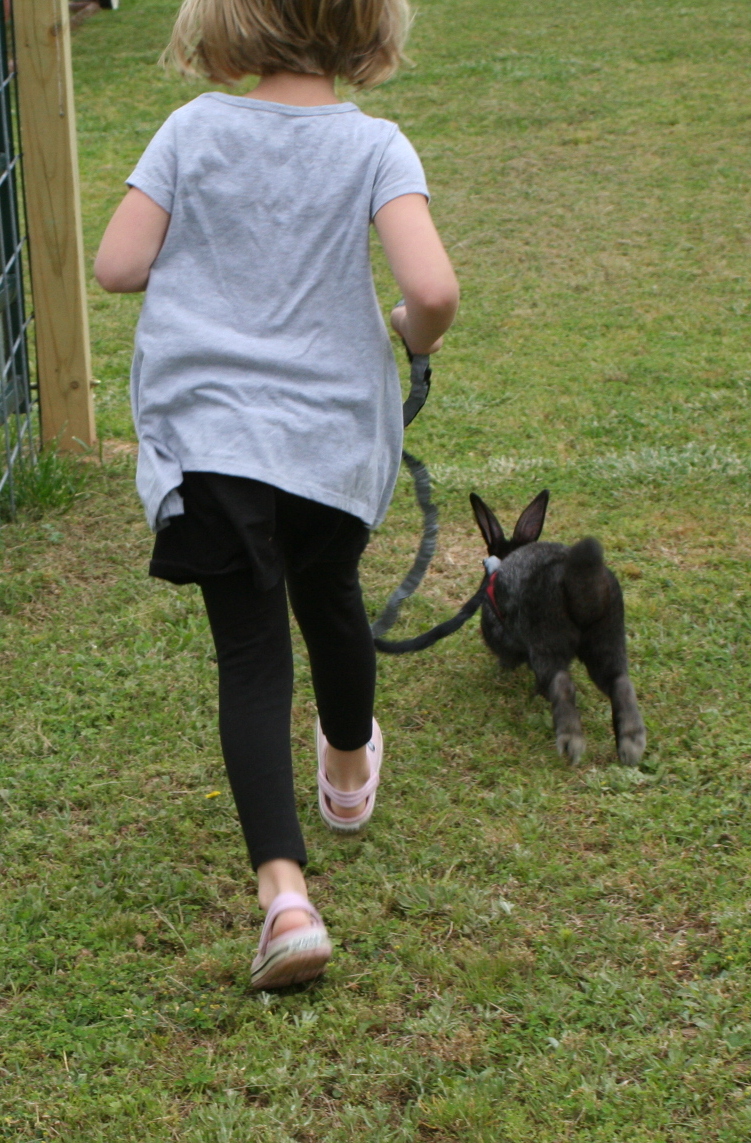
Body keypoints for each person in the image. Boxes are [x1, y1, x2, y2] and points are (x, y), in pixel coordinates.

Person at [94, 0, 459, 990]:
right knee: (329, 596)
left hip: (213, 443)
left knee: (250, 657)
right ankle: (347, 768)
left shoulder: (193, 129)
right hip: (332, 446)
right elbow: (432, 291)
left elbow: (117, 264)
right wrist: (408, 332)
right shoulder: (377, 146)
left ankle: (285, 900)